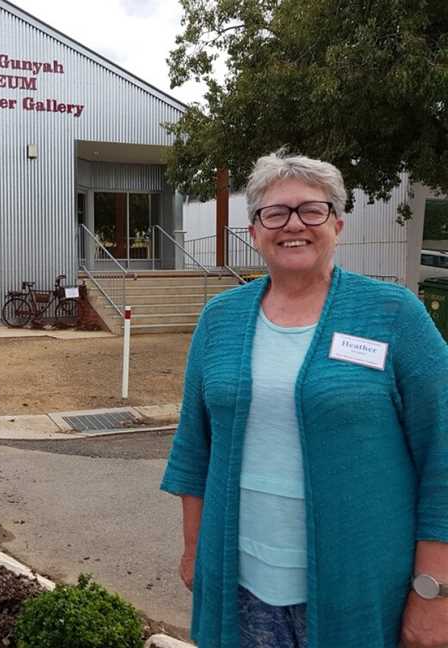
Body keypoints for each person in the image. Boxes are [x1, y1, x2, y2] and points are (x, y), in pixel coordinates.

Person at [160, 150, 448, 648]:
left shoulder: (393, 314)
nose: (293, 224)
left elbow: (442, 456)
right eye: (274, 212)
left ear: (338, 223)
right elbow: (194, 449)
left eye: (311, 210)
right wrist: (194, 553)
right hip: (240, 586)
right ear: (254, 231)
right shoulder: (219, 319)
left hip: (361, 590)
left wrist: (434, 592)